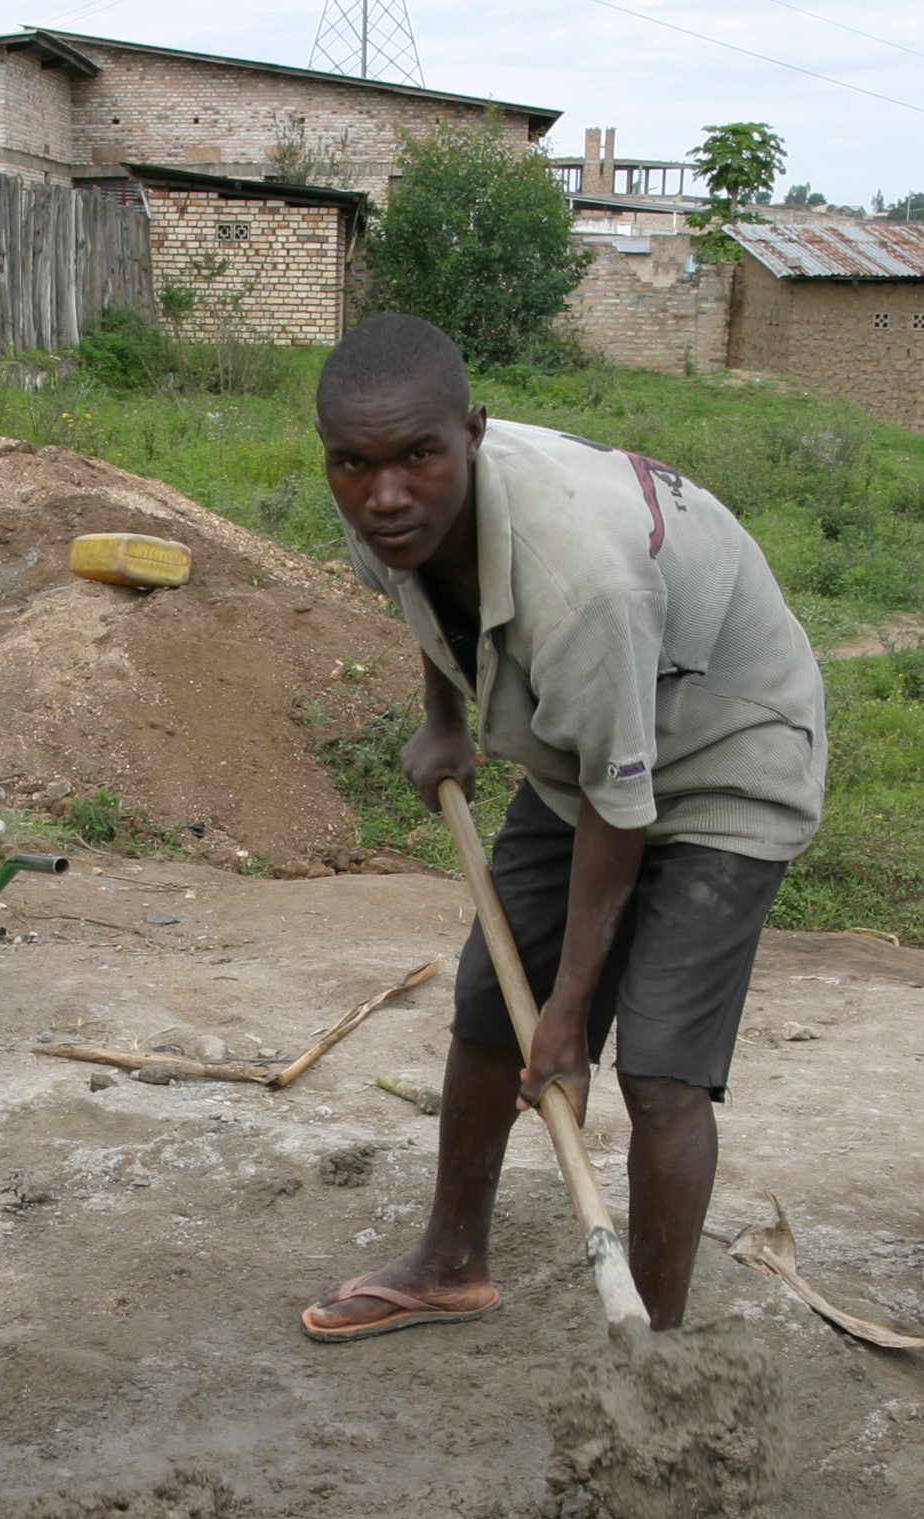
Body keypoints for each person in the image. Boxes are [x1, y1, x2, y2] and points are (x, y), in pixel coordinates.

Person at [299, 314, 825, 1343]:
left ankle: (655, 1350)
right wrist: (447, 718)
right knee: (494, 997)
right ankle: (450, 1261)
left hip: (728, 746)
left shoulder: (580, 580)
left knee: (663, 1062)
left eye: (418, 457)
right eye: (354, 465)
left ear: (473, 436)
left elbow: (623, 812)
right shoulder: (386, 518)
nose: (387, 494)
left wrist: (572, 1015)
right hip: (589, 730)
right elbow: (435, 602)